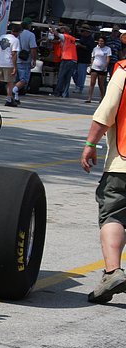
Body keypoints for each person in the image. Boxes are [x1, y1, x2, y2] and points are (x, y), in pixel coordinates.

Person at [80, 59, 126, 302]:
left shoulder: (124, 71)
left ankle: (112, 272)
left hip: (122, 163)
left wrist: (90, 144)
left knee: (113, 215)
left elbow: (107, 112)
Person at [13, 17, 37, 104]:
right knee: (24, 80)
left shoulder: (16, 33)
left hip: (14, 59)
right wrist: (34, 59)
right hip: (24, 61)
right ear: (29, 25)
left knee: (15, 80)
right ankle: (13, 90)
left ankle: (15, 97)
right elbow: (33, 48)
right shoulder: (31, 35)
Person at [50, 26, 77, 97]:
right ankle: (65, 93)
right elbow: (58, 41)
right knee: (67, 77)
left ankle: (57, 92)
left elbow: (56, 34)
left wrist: (52, 27)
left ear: (64, 30)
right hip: (73, 59)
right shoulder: (72, 38)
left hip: (66, 58)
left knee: (61, 76)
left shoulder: (64, 36)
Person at [86, 37, 111, 103]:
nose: (100, 42)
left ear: (104, 42)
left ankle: (102, 98)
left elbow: (108, 59)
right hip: (94, 67)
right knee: (92, 83)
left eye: (102, 41)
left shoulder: (108, 49)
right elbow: (93, 57)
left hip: (102, 69)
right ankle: (89, 98)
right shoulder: (95, 48)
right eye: (99, 41)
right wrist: (91, 66)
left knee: (101, 84)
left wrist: (105, 66)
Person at [74, 24, 95, 94]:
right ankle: (77, 85)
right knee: (74, 73)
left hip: (84, 59)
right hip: (78, 58)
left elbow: (89, 48)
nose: (81, 32)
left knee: (81, 74)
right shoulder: (82, 38)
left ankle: (79, 87)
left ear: (87, 32)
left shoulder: (90, 39)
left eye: (83, 31)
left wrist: (80, 45)